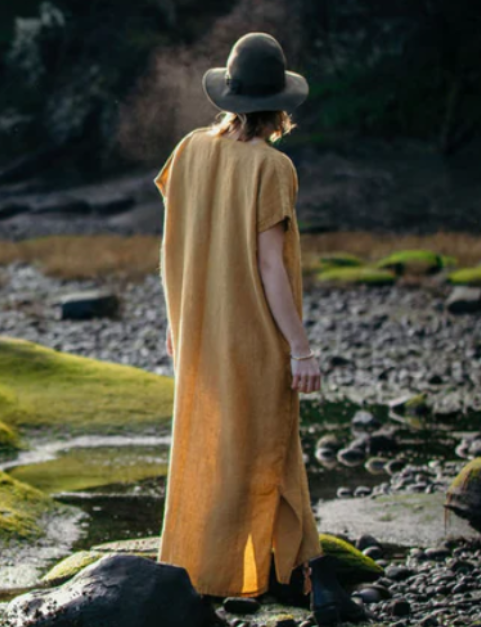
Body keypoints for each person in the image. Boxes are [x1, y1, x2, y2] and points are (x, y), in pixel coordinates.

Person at [153, 32, 368, 626]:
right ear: (279, 106)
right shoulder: (272, 167)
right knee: (268, 451)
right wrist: (300, 348)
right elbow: (270, 267)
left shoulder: (190, 149)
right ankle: (305, 582)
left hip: (200, 331)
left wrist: (177, 321)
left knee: (228, 449)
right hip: (253, 338)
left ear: (229, 95)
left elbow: (176, 244)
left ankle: (263, 576)